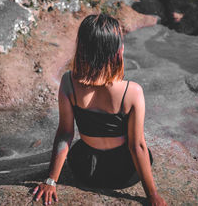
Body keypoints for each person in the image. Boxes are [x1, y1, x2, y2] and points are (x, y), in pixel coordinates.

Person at [32, 14, 167, 205]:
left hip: (85, 169)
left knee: (78, 145)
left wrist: (51, 180)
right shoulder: (132, 91)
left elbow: (65, 134)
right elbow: (137, 146)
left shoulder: (69, 82)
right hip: (125, 174)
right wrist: (152, 195)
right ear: (117, 51)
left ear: (82, 49)